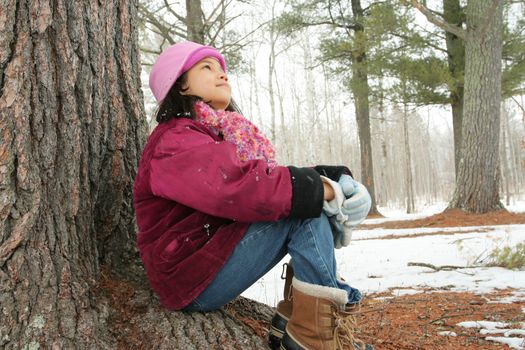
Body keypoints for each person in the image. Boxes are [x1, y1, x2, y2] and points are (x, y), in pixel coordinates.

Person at [133, 41, 373, 350]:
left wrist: (335, 177)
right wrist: (322, 188)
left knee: (302, 200)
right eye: (207, 67)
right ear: (180, 85)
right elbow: (242, 186)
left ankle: (298, 322)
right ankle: (313, 337)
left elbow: (265, 176)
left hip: (204, 261)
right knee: (303, 209)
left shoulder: (216, 135)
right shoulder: (175, 139)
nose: (222, 75)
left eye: (223, 69)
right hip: (187, 275)